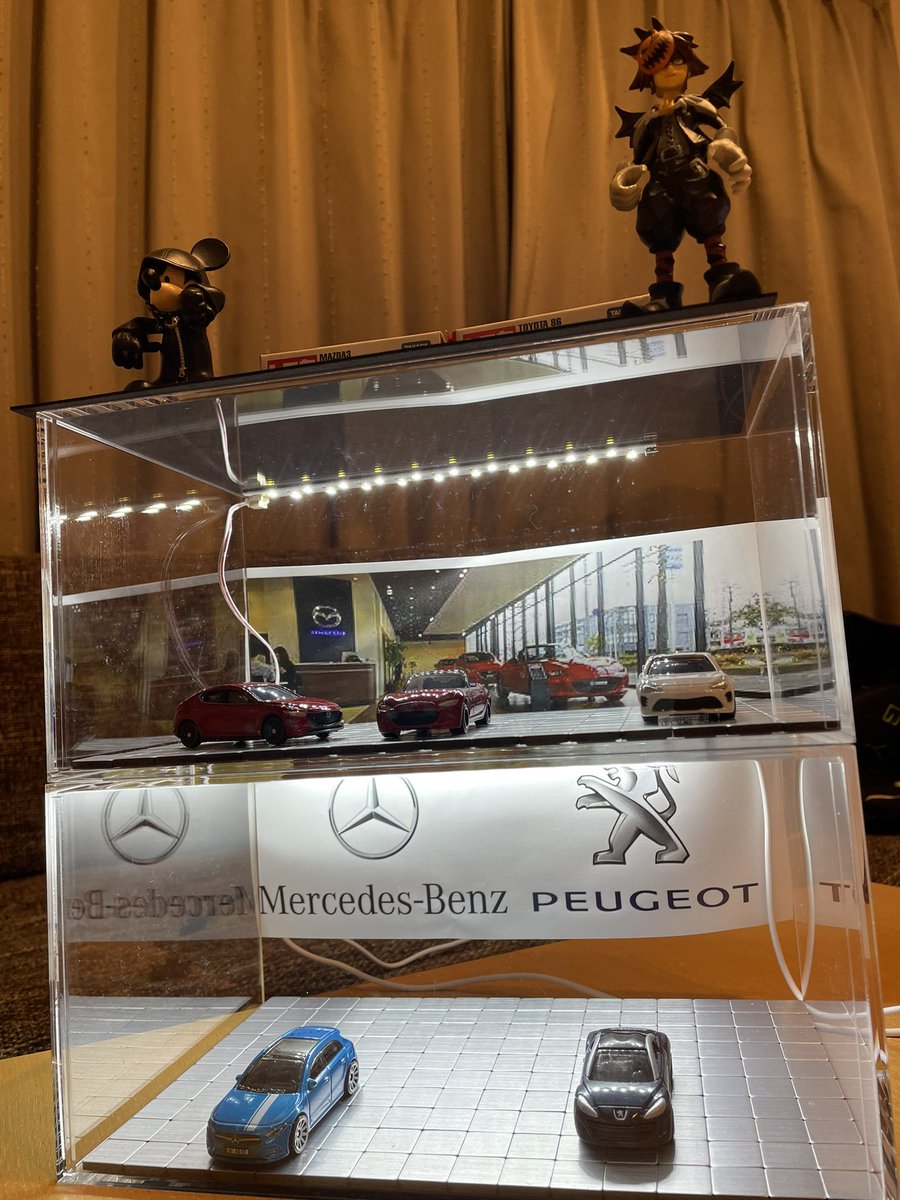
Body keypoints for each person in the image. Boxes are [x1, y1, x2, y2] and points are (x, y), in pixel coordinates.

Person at [610, 17, 761, 312]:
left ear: (689, 66)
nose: (670, 69)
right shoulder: (646, 123)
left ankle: (722, 279)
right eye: (661, 65)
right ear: (648, 74)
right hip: (659, 184)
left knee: (708, 214)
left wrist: (726, 146)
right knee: (658, 226)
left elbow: (721, 128)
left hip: (694, 173)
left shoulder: (696, 106)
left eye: (677, 61)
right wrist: (621, 181)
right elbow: (636, 161)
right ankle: (663, 296)